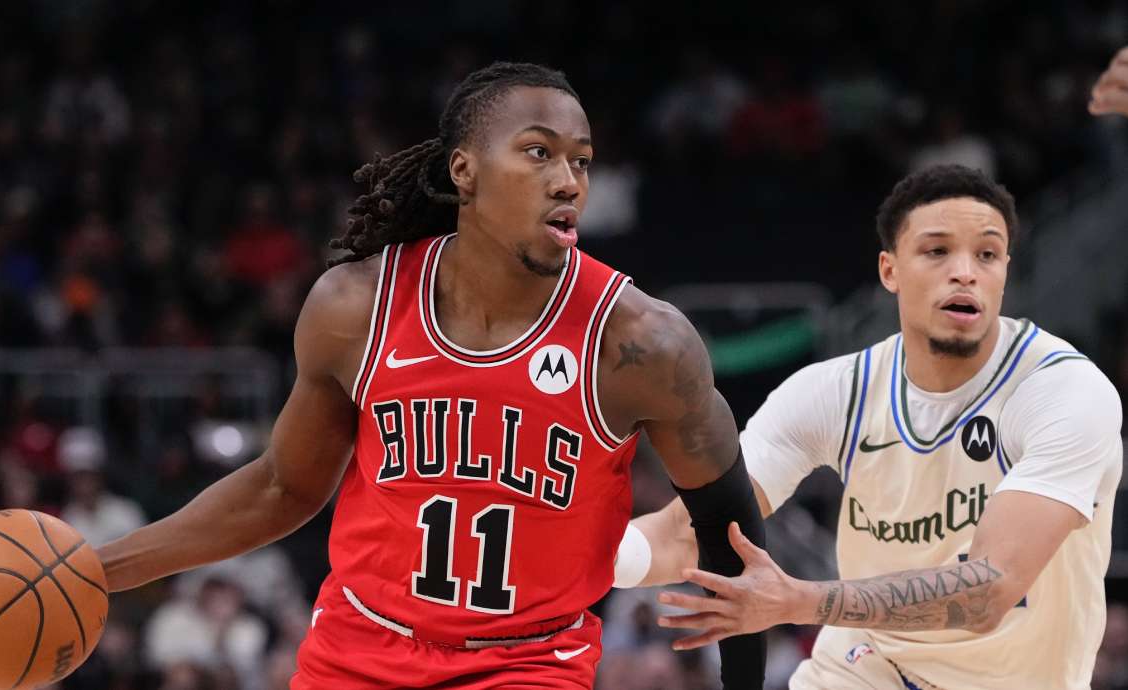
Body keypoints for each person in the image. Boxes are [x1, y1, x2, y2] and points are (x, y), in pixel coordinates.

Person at [97, 62, 767, 689]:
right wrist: (100, 571)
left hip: (529, 661)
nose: (569, 180)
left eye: (582, 161)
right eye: (539, 152)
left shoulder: (642, 343)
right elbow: (281, 487)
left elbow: (729, 531)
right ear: (464, 171)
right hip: (357, 649)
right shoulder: (357, 307)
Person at [617, 156, 1125, 687]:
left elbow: (987, 591)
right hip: (863, 669)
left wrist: (802, 601)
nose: (965, 271)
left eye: (988, 254)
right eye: (937, 250)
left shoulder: (1063, 391)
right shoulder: (834, 392)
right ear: (890, 271)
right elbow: (693, 527)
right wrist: (586, 560)